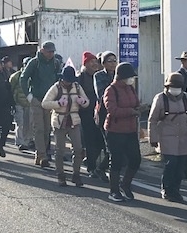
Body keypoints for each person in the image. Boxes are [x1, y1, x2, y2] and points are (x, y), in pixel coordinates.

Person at [148, 72, 187, 203]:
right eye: (173, 86)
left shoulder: (186, 98)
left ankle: (176, 190)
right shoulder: (160, 99)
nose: (176, 89)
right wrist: (153, 138)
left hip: (183, 138)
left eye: (178, 87)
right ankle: (167, 189)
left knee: (180, 167)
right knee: (171, 164)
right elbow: (152, 120)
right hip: (167, 138)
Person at [42, 65, 89, 187]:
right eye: (67, 79)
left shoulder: (77, 87)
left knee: (78, 149)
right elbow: (45, 103)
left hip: (74, 120)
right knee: (59, 150)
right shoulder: (56, 88)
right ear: (62, 78)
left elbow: (87, 102)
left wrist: (82, 101)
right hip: (59, 120)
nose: (69, 82)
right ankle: (60, 175)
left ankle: (76, 174)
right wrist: (58, 103)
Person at [103, 62, 141, 202]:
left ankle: (125, 184)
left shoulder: (130, 88)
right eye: (129, 77)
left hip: (131, 129)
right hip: (115, 130)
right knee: (116, 160)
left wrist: (139, 108)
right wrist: (131, 111)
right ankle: (113, 191)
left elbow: (135, 102)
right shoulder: (111, 90)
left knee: (135, 159)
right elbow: (112, 110)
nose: (131, 79)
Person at [20, 41, 61, 168]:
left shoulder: (55, 63)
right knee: (39, 128)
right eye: (49, 51)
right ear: (42, 50)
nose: (51, 53)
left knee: (47, 129)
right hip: (37, 99)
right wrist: (28, 95)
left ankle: (40, 154)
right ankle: (43, 155)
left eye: (53, 51)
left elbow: (58, 79)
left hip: (49, 100)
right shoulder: (34, 62)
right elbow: (23, 78)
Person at [77, 51, 108, 182]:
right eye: (91, 62)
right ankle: (91, 168)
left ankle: (93, 163)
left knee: (101, 141)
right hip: (85, 114)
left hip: (99, 113)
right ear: (85, 64)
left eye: (96, 62)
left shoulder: (100, 77)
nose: (95, 64)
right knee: (90, 141)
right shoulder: (81, 78)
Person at [10, 57, 34, 151]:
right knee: (20, 123)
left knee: (29, 123)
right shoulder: (15, 76)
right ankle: (20, 141)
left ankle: (27, 141)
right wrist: (12, 102)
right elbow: (11, 89)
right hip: (18, 103)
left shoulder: (33, 75)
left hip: (29, 103)